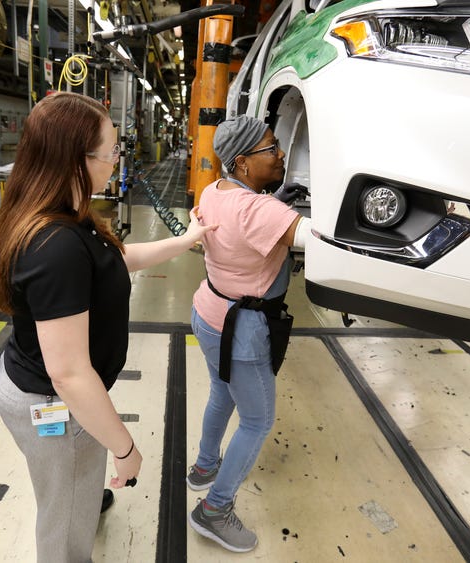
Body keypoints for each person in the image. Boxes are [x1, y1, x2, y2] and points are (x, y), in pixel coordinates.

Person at [0, 92, 216, 563]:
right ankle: (75, 496)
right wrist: (124, 448)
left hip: (48, 392)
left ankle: (79, 489)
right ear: (76, 159)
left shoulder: (68, 214)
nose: (115, 160)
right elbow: (69, 375)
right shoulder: (56, 246)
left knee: (68, 490)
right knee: (64, 532)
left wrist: (186, 240)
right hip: (52, 404)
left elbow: (114, 261)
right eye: (109, 151)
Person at [187, 115, 310, 553]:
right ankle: (214, 509)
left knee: (222, 394)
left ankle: (204, 468)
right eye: (271, 148)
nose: (281, 155)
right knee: (256, 421)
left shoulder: (213, 189)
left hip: (208, 311)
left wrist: (275, 198)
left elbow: (242, 216)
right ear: (241, 163)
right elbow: (320, 239)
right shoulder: (260, 210)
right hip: (242, 330)